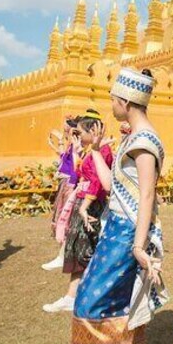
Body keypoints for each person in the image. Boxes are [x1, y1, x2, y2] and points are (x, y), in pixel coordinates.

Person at [71, 68, 168, 344]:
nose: (111, 104)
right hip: (118, 228)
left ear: (125, 102)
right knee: (122, 311)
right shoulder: (133, 138)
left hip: (127, 234)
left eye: (113, 99)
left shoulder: (145, 141)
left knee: (91, 305)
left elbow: (148, 193)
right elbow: (113, 186)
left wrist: (138, 245)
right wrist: (98, 151)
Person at [44, 109, 113, 313]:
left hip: (90, 205)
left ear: (93, 131)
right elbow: (77, 173)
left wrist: (84, 206)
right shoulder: (89, 149)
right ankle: (73, 295)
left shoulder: (103, 151)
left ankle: (77, 296)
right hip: (83, 201)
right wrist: (75, 149)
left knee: (85, 249)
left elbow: (98, 182)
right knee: (79, 248)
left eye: (81, 132)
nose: (78, 136)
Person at [42, 115, 80, 271]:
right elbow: (65, 159)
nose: (64, 132)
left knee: (66, 219)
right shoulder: (72, 145)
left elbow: (75, 166)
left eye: (66, 129)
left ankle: (62, 256)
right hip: (66, 183)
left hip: (70, 184)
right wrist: (56, 143)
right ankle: (63, 254)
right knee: (64, 219)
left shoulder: (77, 146)